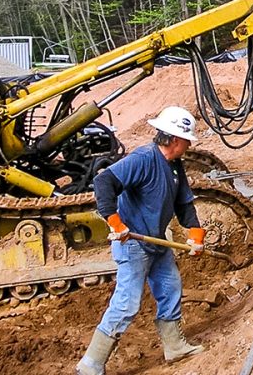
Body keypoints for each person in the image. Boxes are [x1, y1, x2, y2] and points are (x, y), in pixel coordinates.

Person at [76, 106, 207, 375]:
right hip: (133, 243)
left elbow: (183, 204)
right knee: (127, 303)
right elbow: (104, 183)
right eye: (186, 141)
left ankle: (174, 346)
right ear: (174, 139)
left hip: (158, 241)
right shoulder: (143, 159)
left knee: (170, 289)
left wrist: (195, 234)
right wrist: (115, 223)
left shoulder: (174, 166)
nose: (188, 146)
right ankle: (91, 364)